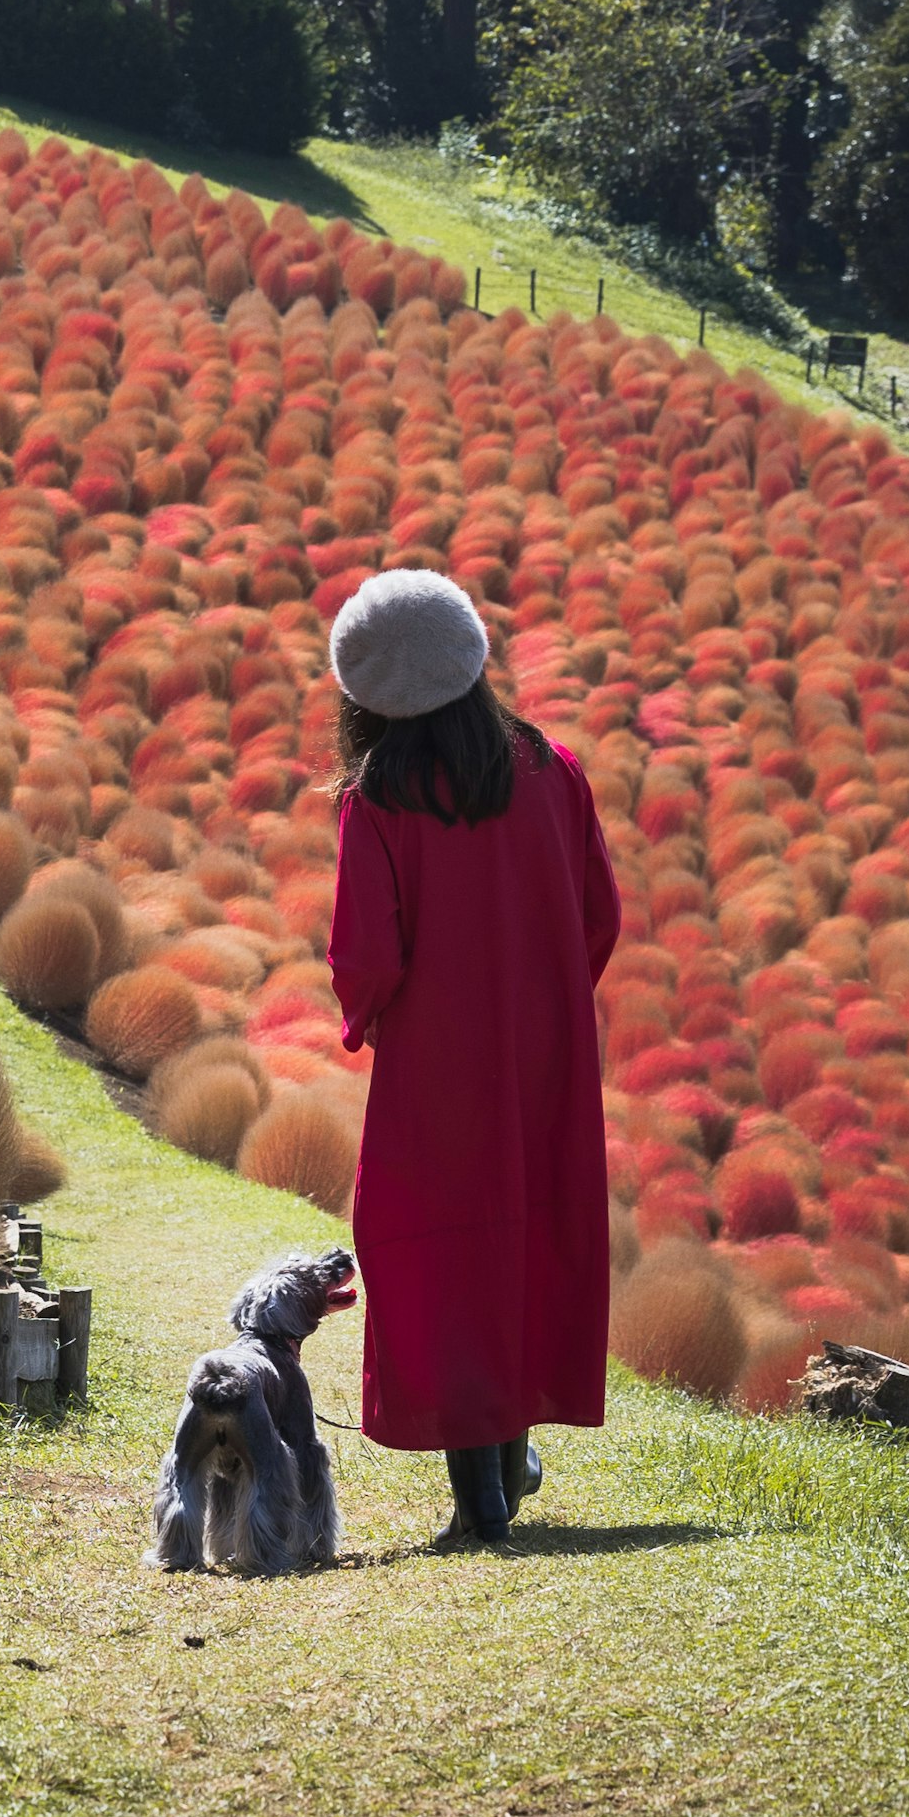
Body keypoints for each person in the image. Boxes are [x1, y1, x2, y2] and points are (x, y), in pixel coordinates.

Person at [322, 568, 622, 1550]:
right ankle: (510, 1454)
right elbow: (596, 917)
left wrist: (369, 1018)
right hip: (545, 1065)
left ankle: (484, 1499)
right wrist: (543, 1002)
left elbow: (368, 960)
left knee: (446, 1253)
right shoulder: (552, 769)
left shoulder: (378, 802)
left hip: (438, 1078)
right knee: (526, 1240)